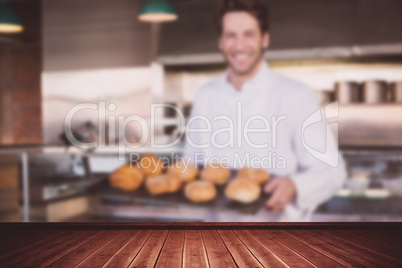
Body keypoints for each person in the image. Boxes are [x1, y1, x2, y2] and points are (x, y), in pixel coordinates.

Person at [183, 0, 346, 221]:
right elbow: (191, 165)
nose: (239, 45)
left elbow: (333, 171)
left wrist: (294, 185)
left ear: (265, 39)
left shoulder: (296, 95)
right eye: (231, 35)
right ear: (221, 42)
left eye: (249, 34)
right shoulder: (205, 95)